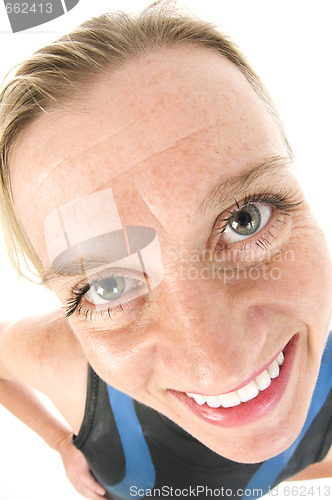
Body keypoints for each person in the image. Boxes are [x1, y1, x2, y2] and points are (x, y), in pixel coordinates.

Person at [0, 2, 332, 499]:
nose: (218, 363)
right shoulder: (62, 364)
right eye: (107, 285)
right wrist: (57, 441)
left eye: (245, 219)